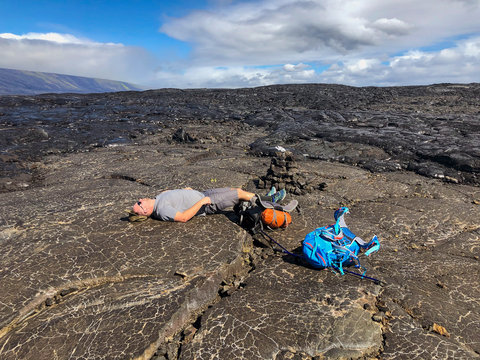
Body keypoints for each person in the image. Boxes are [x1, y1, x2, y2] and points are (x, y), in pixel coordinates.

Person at [130, 187, 285, 222]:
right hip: (207, 203)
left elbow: (169, 193)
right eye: (139, 203)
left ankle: (263, 199)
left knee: (234, 190)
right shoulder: (162, 210)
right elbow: (183, 217)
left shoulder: (157, 200)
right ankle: (269, 200)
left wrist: (184, 190)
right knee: (237, 193)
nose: (140, 198)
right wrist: (202, 202)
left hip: (203, 194)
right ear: (145, 211)